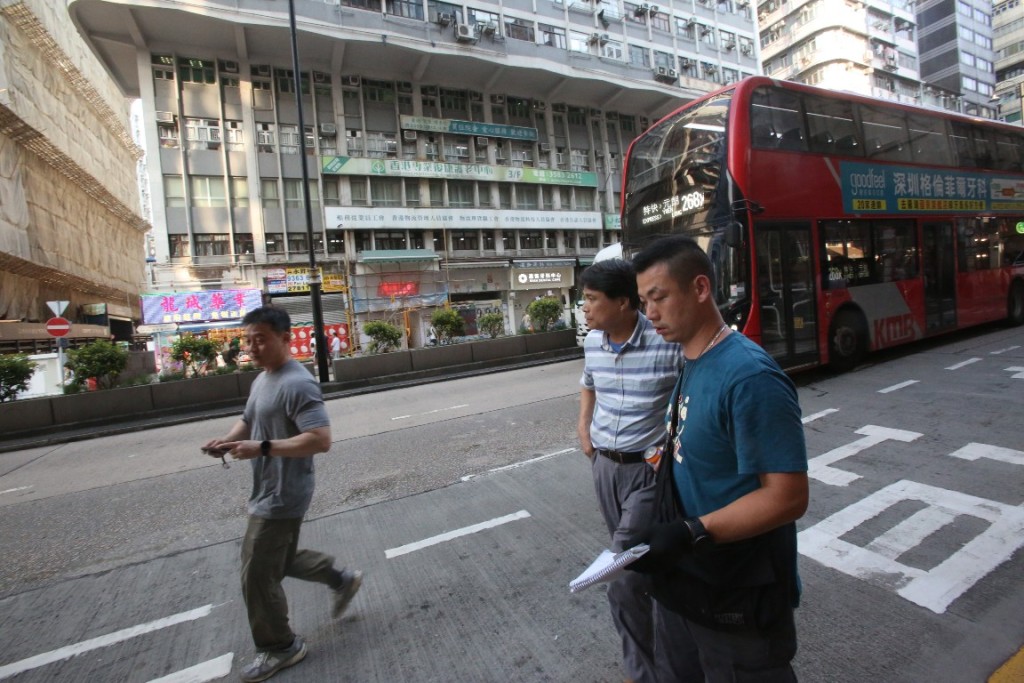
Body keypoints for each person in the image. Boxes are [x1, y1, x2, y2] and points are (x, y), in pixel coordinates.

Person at [630, 235, 809, 681]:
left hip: (739, 591)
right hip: (688, 580)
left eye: (659, 297)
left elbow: (787, 498)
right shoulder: (692, 359)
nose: (649, 314)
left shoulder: (749, 376)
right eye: (642, 301)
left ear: (701, 288)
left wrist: (693, 530)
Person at [202, 306, 362, 683]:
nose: (252, 347)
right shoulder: (264, 378)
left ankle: (281, 646)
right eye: (248, 340)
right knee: (279, 557)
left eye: (260, 339)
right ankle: (340, 578)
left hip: (283, 492)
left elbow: (321, 440)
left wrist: (262, 448)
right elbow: (250, 418)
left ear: (286, 339)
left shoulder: (297, 382)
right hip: (266, 486)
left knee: (256, 572)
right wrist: (228, 441)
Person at [577, 259, 688, 683]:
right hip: (604, 467)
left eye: (591, 299)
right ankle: (666, 650)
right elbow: (588, 383)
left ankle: (642, 672)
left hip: (648, 473)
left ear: (624, 302)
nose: (584, 308)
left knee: (620, 574)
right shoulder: (592, 342)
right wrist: (583, 427)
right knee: (642, 566)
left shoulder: (665, 341)